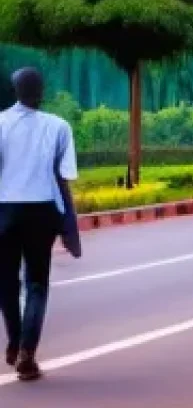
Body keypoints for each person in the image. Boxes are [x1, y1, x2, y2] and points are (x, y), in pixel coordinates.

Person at [0, 68, 78, 381]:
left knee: (6, 283)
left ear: (14, 89)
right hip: (42, 212)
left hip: (4, 210)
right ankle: (27, 352)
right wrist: (69, 225)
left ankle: (15, 339)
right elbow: (63, 180)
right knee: (36, 283)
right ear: (41, 90)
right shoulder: (58, 126)